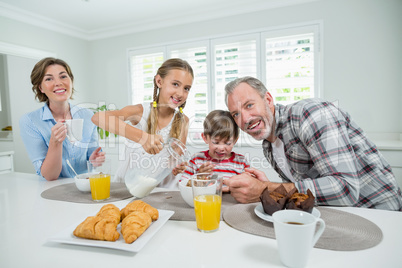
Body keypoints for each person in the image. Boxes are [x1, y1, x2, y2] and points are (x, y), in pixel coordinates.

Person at [223, 76, 402, 211]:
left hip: (378, 210)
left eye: (249, 105)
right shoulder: (268, 146)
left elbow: (345, 189)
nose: (245, 118)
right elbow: (299, 190)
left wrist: (265, 188)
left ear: (268, 100)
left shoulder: (310, 113)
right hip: (336, 213)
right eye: (236, 114)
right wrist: (271, 188)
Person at [92, 58, 193, 188]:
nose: (180, 93)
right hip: (125, 189)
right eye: (175, 84)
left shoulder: (183, 121)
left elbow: (173, 162)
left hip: (160, 193)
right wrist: (142, 137)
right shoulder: (140, 112)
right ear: (159, 81)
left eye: (186, 88)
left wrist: (177, 168)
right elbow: (97, 118)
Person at [20, 57, 105, 181]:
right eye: (49, 79)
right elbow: (50, 175)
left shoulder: (88, 115)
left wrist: (94, 159)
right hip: (51, 191)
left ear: (71, 81)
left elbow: (90, 158)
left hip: (85, 187)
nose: (58, 83)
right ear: (41, 88)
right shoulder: (30, 121)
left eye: (63, 76)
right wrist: (55, 142)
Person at [181, 110, 249, 183]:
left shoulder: (241, 162)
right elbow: (183, 183)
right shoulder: (197, 160)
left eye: (227, 143)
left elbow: (250, 185)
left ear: (235, 140)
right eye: (216, 142)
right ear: (205, 138)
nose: (221, 148)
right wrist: (199, 177)